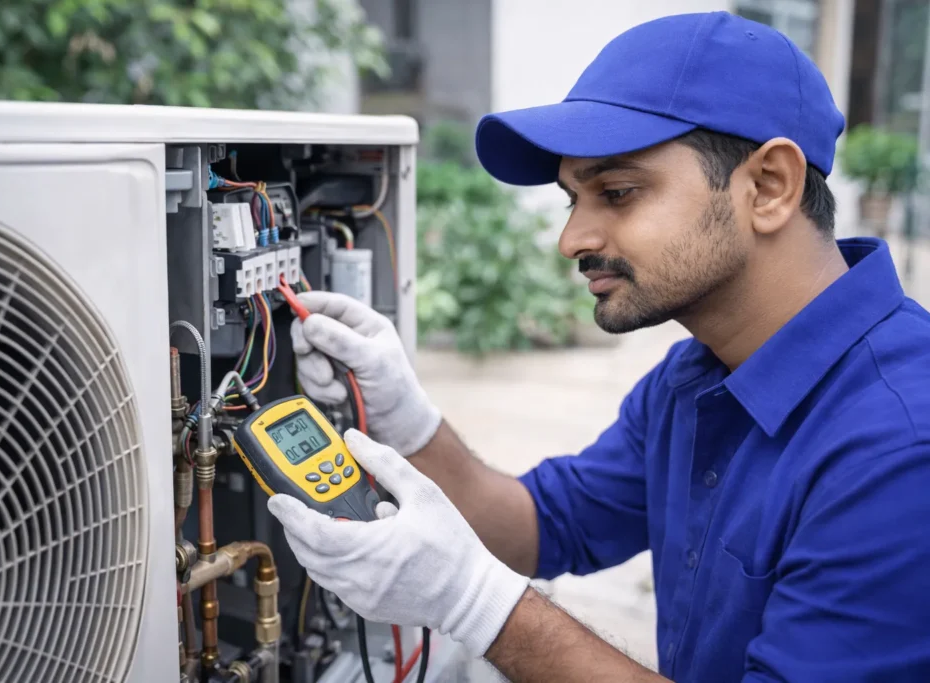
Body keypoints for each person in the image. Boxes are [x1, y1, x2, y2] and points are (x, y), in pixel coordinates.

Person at [268, 11, 930, 682]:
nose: (573, 239)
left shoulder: (900, 445)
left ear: (768, 187)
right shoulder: (696, 376)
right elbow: (545, 525)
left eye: (617, 192)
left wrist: (478, 602)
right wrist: (408, 422)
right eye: (571, 200)